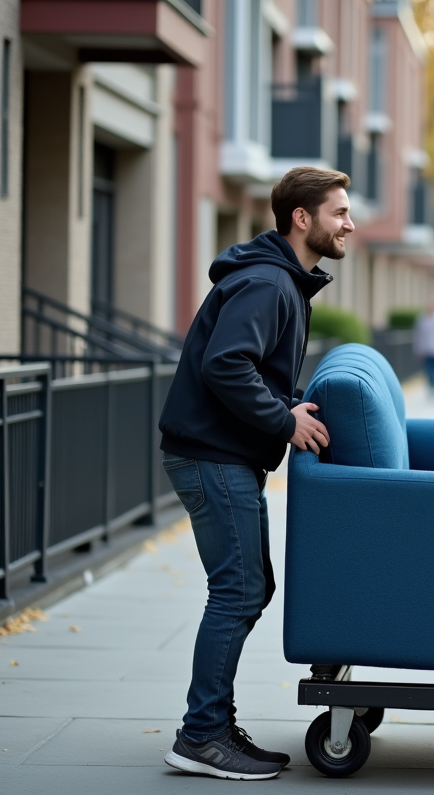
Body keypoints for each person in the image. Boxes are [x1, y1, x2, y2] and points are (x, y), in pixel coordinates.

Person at [157, 166, 354, 781]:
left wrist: (282, 404)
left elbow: (247, 367)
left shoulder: (278, 281)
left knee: (250, 588)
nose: (349, 223)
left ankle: (211, 723)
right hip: (211, 456)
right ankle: (202, 735)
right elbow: (226, 365)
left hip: (219, 453)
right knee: (240, 590)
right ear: (303, 219)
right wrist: (283, 421)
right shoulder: (270, 284)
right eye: (339, 212)